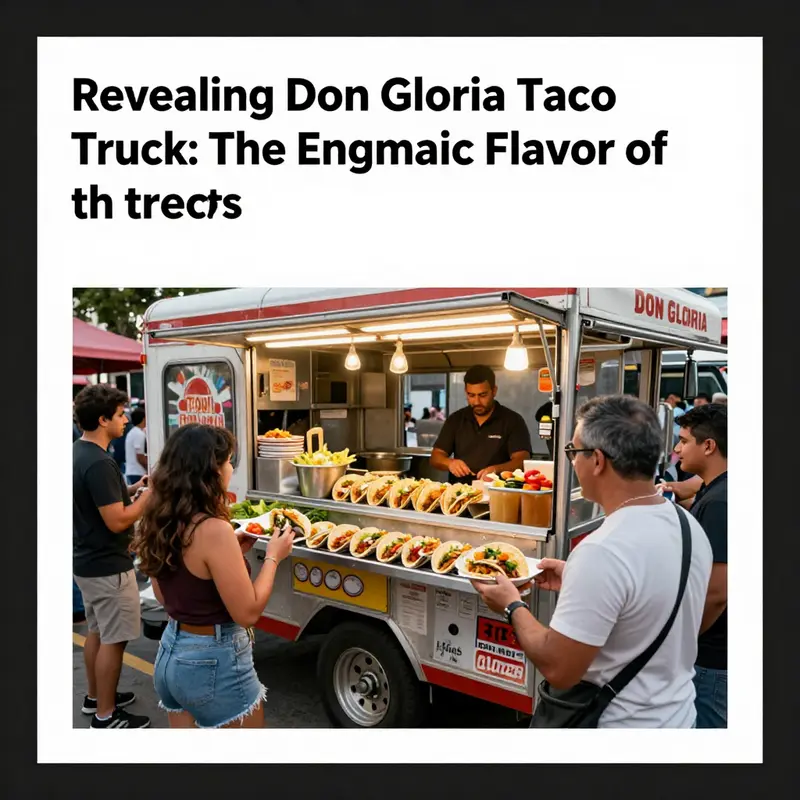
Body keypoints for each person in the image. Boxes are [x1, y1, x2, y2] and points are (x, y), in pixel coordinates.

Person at [473, 395, 712, 727]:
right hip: (678, 720)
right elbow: (654, 598)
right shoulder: (688, 525)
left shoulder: (602, 550)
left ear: (597, 460)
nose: (571, 462)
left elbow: (559, 668)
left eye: (573, 452)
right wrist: (576, 577)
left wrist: (511, 605)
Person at [133, 424, 295, 729]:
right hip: (213, 660)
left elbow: (165, 594)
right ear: (212, 470)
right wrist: (274, 555)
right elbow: (247, 613)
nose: (231, 467)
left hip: (170, 654)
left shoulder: (159, 519)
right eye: (228, 460)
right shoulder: (213, 529)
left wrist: (231, 554)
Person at [73, 384, 152, 728]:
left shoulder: (79, 452)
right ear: (103, 419)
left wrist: (133, 489)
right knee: (114, 640)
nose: (124, 421)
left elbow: (100, 502)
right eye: (120, 415)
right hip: (108, 567)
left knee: (97, 632)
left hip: (87, 562)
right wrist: (148, 499)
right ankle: (106, 715)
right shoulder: (100, 463)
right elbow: (117, 518)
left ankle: (96, 698)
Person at [672, 404, 728, 728]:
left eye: (683, 441)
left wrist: (684, 639)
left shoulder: (721, 502)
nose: (677, 449)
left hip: (711, 660)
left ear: (708, 446)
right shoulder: (713, 488)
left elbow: (717, 592)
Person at [430, 365, 532, 482]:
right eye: (471, 395)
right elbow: (435, 457)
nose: (477, 401)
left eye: (483, 395)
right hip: (460, 494)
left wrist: (496, 470)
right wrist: (450, 463)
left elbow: (522, 460)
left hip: (497, 493)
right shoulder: (456, 419)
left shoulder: (512, 420)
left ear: (494, 391)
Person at [124, 407, 148, 485]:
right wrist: (148, 468)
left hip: (131, 471)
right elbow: (140, 456)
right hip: (137, 472)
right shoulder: (139, 434)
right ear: (143, 419)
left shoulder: (132, 432)